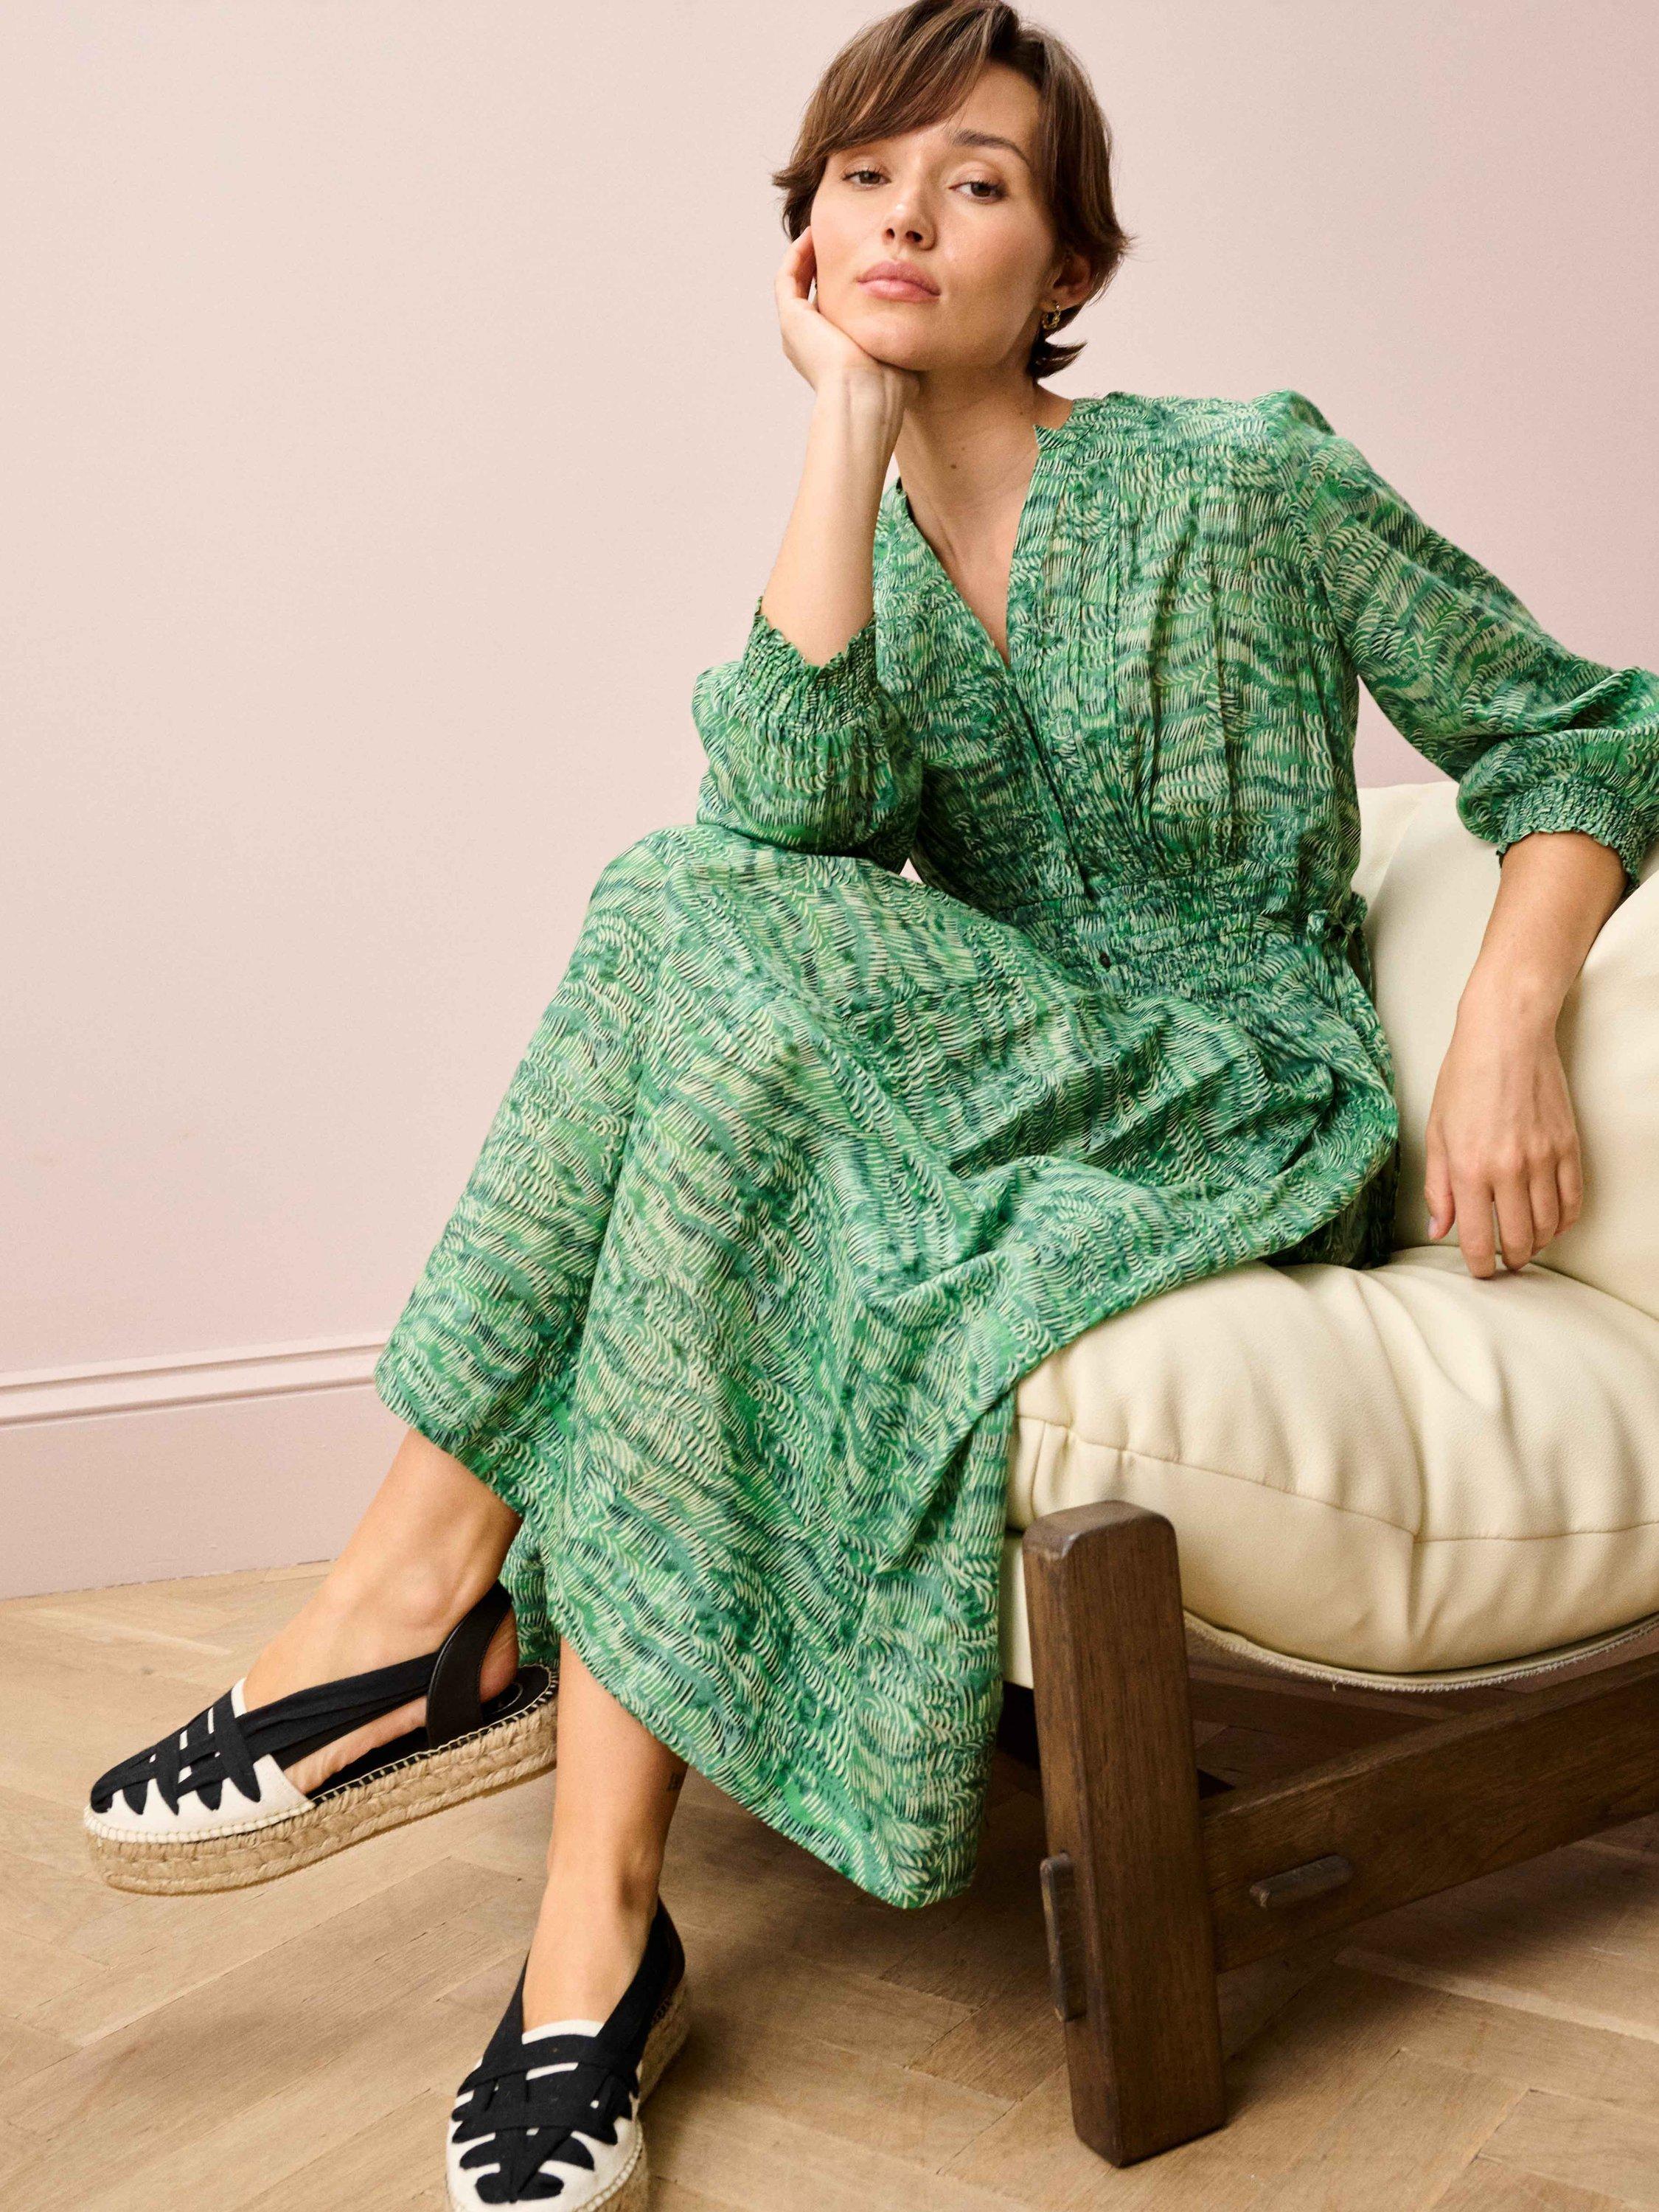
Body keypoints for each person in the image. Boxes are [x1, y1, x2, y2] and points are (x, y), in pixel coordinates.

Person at [81, 3, 1659, 2205]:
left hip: (1235, 1096)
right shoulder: (855, 554)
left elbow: (1585, 728)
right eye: (862, 180)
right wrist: (843, 429)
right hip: (988, 1089)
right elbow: (790, 817)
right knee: (699, 1016)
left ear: (1067, 267)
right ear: (805, 246)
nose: (910, 214)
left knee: (674, 901)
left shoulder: (1243, 471)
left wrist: (1501, 1013)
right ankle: (587, 1936)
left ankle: (418, 1608)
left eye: (977, 182)